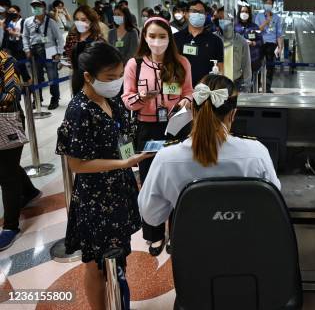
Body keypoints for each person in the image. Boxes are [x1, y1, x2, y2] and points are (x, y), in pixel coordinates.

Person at [56, 41, 151, 310]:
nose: (116, 82)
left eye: (119, 76)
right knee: (97, 265)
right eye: (110, 78)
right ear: (88, 76)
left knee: (117, 257)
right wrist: (121, 164)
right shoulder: (80, 111)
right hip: (95, 199)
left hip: (118, 191)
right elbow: (76, 165)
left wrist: (130, 158)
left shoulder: (110, 101)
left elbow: (121, 137)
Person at [138, 74, 280, 228]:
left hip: (190, 247)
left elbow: (151, 216)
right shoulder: (257, 153)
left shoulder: (166, 159)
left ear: (192, 111)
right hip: (243, 245)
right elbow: (272, 204)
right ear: (233, 114)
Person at [122, 17, 193, 255]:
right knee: (150, 181)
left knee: (178, 179)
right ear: (144, 37)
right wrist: (142, 99)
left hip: (176, 126)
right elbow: (126, 98)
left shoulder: (181, 62)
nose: (157, 41)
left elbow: (189, 92)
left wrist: (185, 100)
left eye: (162, 37)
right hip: (146, 129)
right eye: (152, 36)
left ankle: (176, 231)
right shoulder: (135, 64)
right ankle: (152, 233)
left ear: (169, 39)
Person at [0, 49, 41, 251]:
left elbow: (11, 92)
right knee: (8, 168)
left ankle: (10, 227)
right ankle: (30, 191)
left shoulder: (5, 60)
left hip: (6, 121)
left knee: (6, 175)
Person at [22, 0, 64, 110]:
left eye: (38, 6)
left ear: (44, 7)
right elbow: (25, 36)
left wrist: (59, 53)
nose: (36, 8)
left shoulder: (51, 22)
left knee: (52, 76)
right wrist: (26, 49)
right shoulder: (28, 21)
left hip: (50, 50)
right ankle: (37, 99)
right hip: (34, 51)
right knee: (36, 77)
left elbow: (59, 38)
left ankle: (55, 99)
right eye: (34, 6)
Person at [174, 0, 225, 84]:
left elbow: (220, 67)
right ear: (186, 14)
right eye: (194, 11)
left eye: (201, 12)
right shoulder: (176, 38)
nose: (197, 14)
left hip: (206, 89)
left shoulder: (215, 40)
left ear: (205, 15)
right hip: (181, 87)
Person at [64, 5, 105, 74]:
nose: (79, 23)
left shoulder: (98, 39)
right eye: (77, 19)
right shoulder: (71, 36)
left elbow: (102, 61)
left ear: (92, 21)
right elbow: (67, 52)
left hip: (93, 75)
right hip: (75, 74)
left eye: (83, 20)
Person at [254, 0, 283, 93]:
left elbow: (279, 34)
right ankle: (256, 86)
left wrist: (280, 47)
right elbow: (257, 30)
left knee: (270, 67)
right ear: (264, 4)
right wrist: (266, 22)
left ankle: (267, 87)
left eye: (270, 3)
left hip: (272, 44)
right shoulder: (258, 16)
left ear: (272, 5)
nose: (268, 5)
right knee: (257, 65)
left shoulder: (277, 18)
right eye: (267, 3)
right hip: (261, 43)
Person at [235, 5, 263, 92]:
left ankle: (253, 92)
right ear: (239, 13)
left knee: (252, 80)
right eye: (242, 11)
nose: (244, 13)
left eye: (246, 12)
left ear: (249, 14)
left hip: (253, 58)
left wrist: (253, 43)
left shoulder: (254, 27)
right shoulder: (235, 27)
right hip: (238, 58)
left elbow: (261, 41)